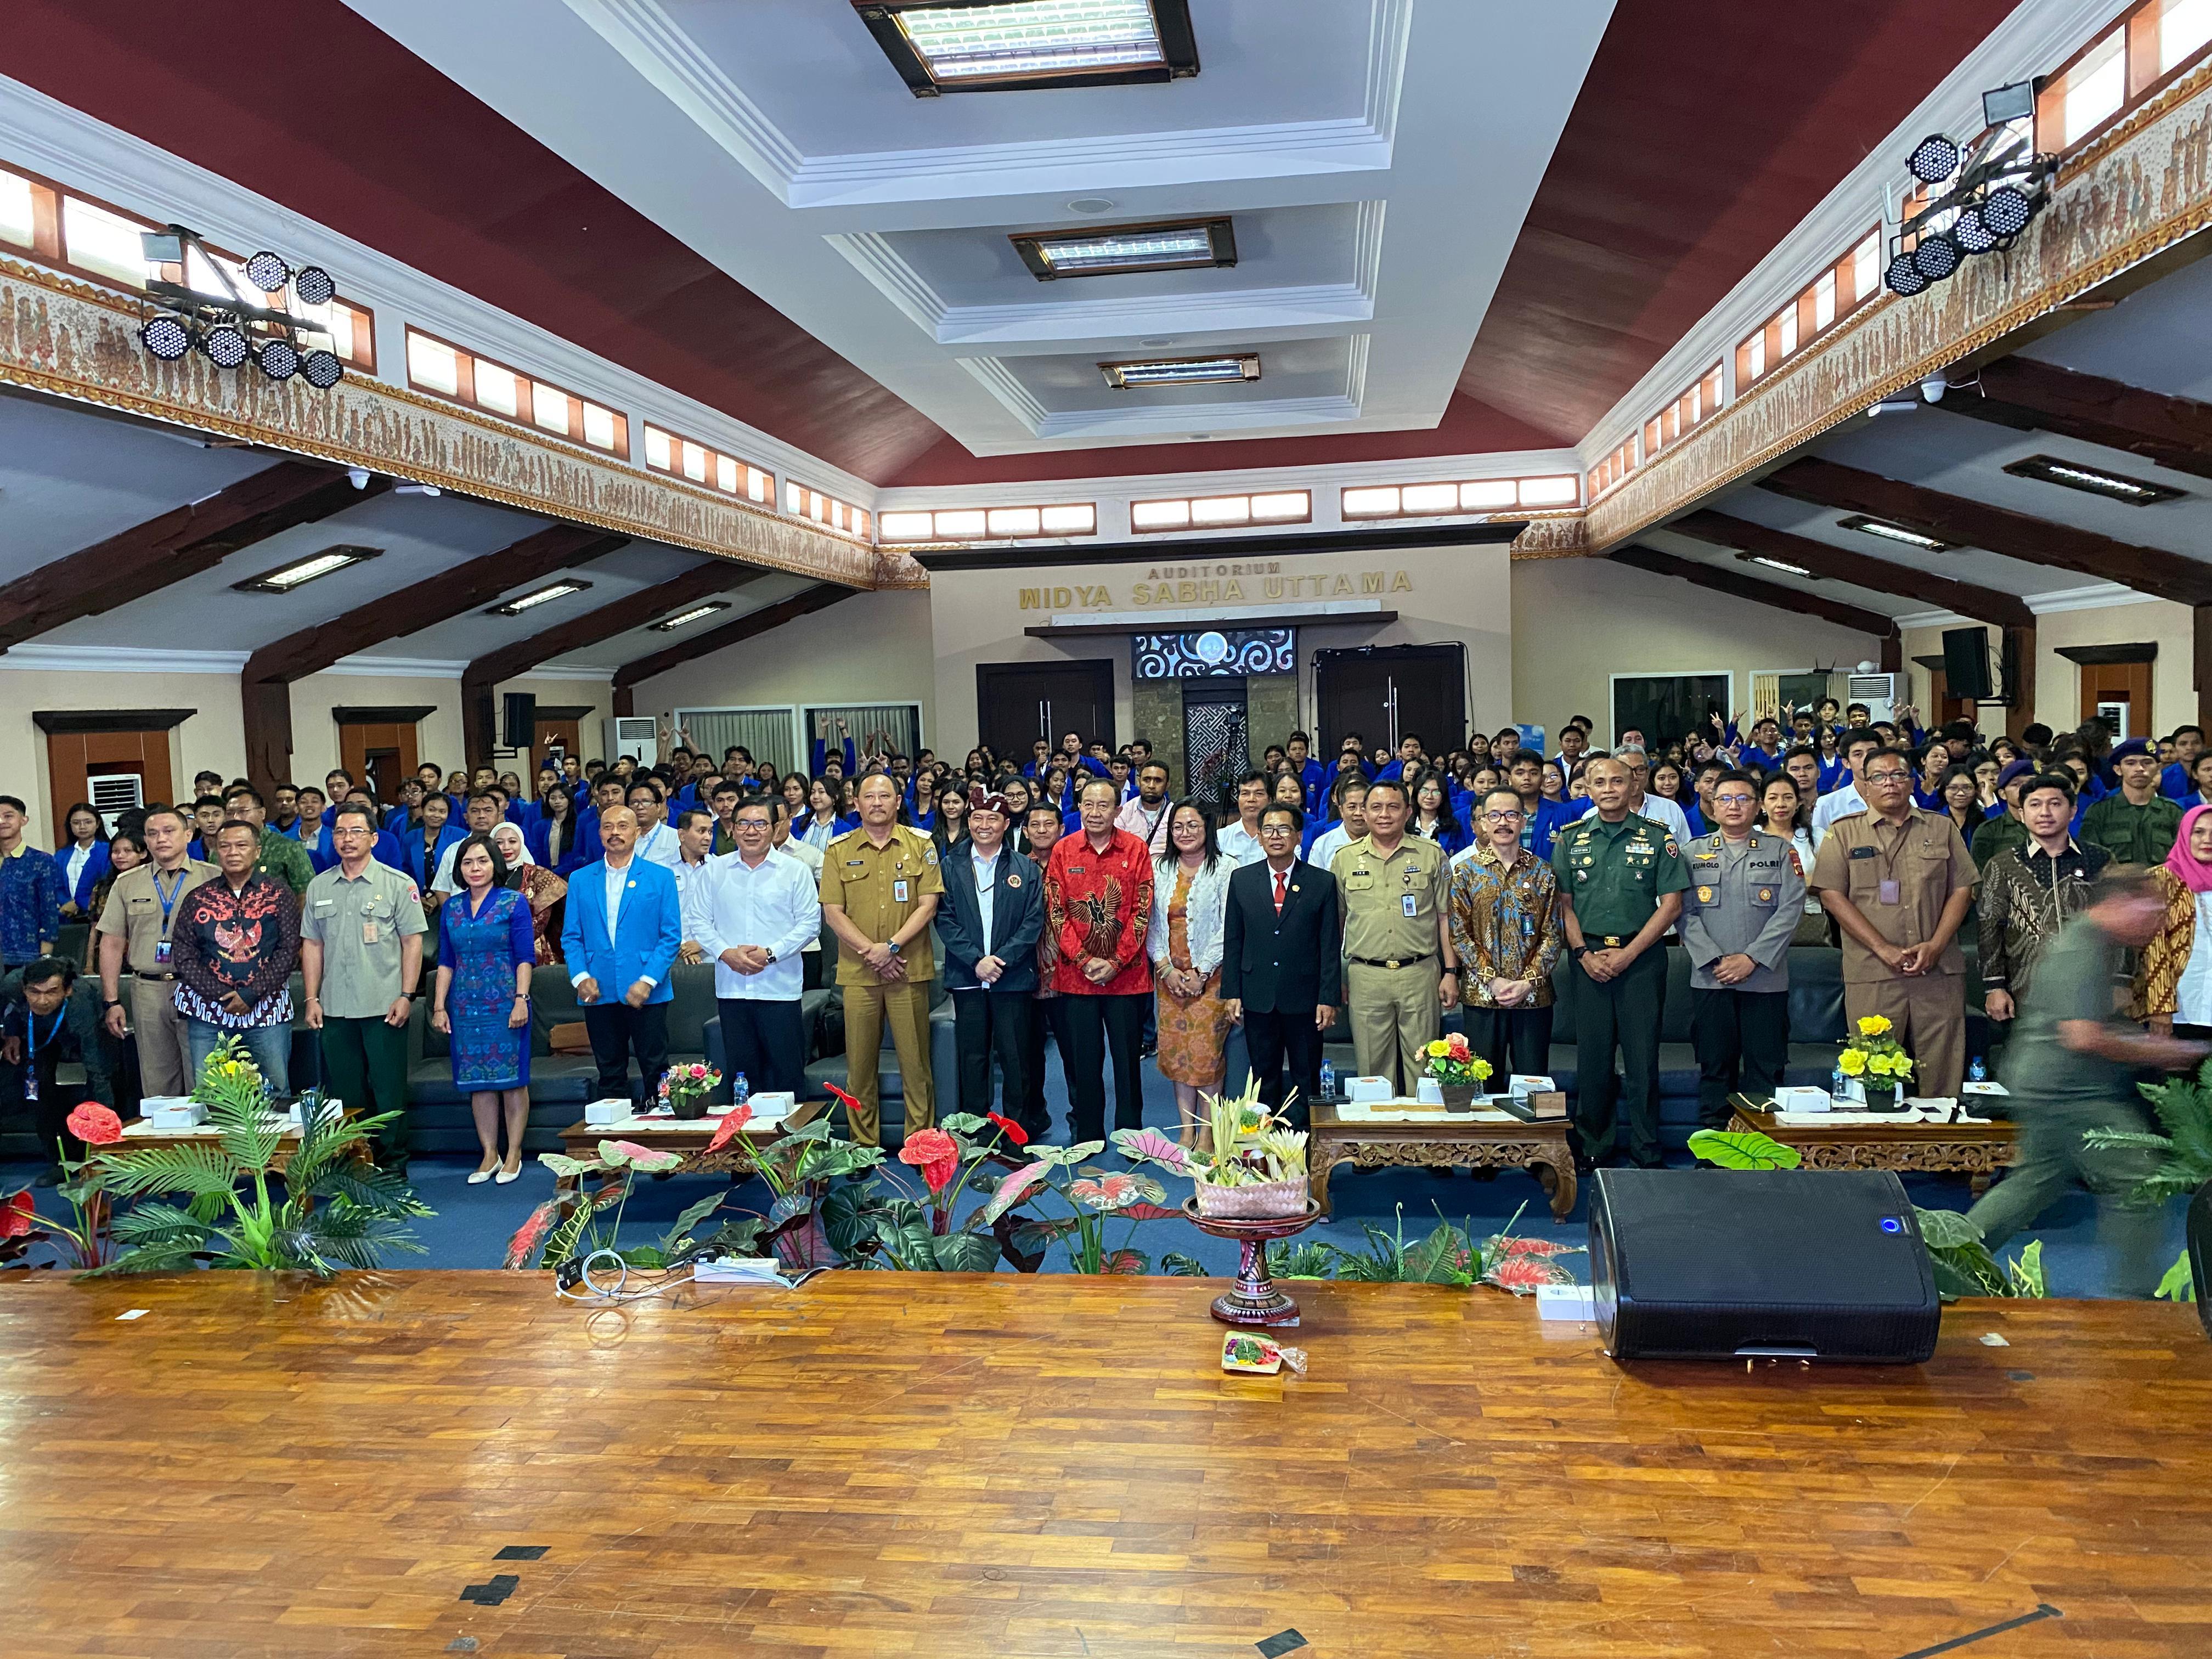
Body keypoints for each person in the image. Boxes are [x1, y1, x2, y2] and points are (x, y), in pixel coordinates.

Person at [1967, 874, 2209, 1296]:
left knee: (2034, 1182)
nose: (2157, 922)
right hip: (2070, 1094)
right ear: (2120, 903)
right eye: (2151, 911)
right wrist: (2159, 1052)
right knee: (2141, 1181)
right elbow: (2082, 1036)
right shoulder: (2083, 947)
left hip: (2048, 1085)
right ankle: (2133, 1297)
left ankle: (1941, 1258)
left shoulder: (2094, 943)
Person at [1809, 747, 1977, 1102]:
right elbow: (1831, 896)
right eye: (1880, 777)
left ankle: (1941, 1136)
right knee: (1873, 1074)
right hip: (1873, 970)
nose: (1890, 783)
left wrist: (1936, 945)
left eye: (1899, 775)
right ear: (1866, 785)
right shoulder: (1844, 833)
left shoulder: (1942, 827)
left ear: (1912, 782)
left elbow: (1963, 889)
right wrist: (1882, 948)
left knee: (1943, 1070)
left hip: (1937, 970)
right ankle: (1877, 1138)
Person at [1553, 755, 1688, 1169]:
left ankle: (1647, 1148)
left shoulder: (1659, 837)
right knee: (1593, 1057)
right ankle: (1594, 1145)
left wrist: (1629, 954)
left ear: (1633, 787)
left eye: (1617, 781)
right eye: (1599, 782)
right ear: (1587, 789)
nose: (1609, 789)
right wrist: (1582, 954)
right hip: (1587, 959)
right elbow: (1564, 906)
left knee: (1642, 1057)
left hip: (1642, 959)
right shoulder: (1570, 839)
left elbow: (1672, 905)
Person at [300, 803, 428, 1171]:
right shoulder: (319, 885)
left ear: (373, 838)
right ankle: (356, 1164)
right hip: (335, 1007)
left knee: (388, 1090)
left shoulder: (397, 883)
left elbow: (413, 943)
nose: (347, 839)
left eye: (356, 831)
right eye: (340, 832)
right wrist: (311, 998)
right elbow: (312, 945)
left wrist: (407, 995)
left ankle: (391, 1166)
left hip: (383, 1004)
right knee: (346, 1094)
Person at [820, 772, 943, 1146]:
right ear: (855, 803)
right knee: (859, 1068)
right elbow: (833, 912)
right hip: (859, 973)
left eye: (884, 796)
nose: (877, 803)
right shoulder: (839, 849)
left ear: (898, 801)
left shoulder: (921, 844)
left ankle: (920, 1145)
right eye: (869, 797)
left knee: (916, 1065)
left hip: (908, 969)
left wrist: (890, 947)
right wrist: (872, 952)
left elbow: (928, 905)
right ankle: (863, 1147)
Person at [1678, 771, 1804, 1127]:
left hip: (1765, 980)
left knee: (1765, 1071)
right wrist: (1716, 960)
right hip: (1711, 978)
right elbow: (1682, 912)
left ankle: (1762, 1149)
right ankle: (1714, 1148)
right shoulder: (1691, 853)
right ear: (1712, 806)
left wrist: (1751, 959)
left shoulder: (1780, 851)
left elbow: (1791, 910)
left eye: (1743, 799)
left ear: (1759, 806)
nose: (1734, 806)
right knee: (1715, 1070)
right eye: (1725, 799)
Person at [1043, 777, 1154, 1142]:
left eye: (1103, 805)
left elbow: (1142, 911)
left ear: (1118, 810)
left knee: (1127, 1062)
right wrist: (1084, 959)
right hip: (1077, 978)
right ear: (1079, 808)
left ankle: (1131, 1135)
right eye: (1088, 805)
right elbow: (1057, 912)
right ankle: (1088, 1135)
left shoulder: (1136, 849)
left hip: (1127, 978)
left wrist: (1116, 962)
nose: (1095, 812)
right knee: (1084, 1061)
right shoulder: (1063, 850)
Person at [1332, 777, 1457, 1096]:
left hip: (1420, 973)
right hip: (1366, 976)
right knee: (1372, 1071)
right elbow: (1336, 923)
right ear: (1364, 813)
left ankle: (1425, 1130)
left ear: (1408, 812)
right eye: (1376, 807)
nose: (1384, 814)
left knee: (1425, 1068)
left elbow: (1446, 917)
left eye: (1393, 807)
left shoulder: (1431, 855)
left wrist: (1451, 972)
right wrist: (1335, 978)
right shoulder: (1345, 859)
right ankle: (1376, 1131)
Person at [933, 788, 1043, 1133]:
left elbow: (1033, 922)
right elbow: (944, 919)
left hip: (1012, 979)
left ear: (1006, 824)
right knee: (973, 1059)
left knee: (1015, 1059)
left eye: (993, 819)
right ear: (968, 822)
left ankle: (1016, 1135)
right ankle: (974, 1134)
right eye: (977, 818)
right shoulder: (950, 866)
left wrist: (1001, 961)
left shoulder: (1026, 868)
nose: (984, 825)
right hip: (967, 977)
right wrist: (976, 961)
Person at [1222, 803, 1339, 1124]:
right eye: (1269, 830)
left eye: (1284, 829)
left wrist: (1328, 997)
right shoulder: (1242, 880)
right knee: (1263, 1078)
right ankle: (1265, 1144)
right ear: (1260, 837)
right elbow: (1233, 940)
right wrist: (1232, 992)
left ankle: (1304, 1143)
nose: (1276, 836)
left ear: (1299, 836)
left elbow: (1329, 945)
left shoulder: (1321, 882)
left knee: (1306, 1077)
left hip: (1305, 998)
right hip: (1257, 995)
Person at [559, 804, 682, 1109]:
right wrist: (580, 977)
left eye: (623, 826)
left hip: (647, 990)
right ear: (600, 833)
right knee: (610, 1072)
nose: (615, 833)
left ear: (637, 832)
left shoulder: (660, 877)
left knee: (656, 1069)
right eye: (608, 827)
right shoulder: (580, 879)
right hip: (597, 989)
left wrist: (648, 981)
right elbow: (571, 936)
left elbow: (670, 937)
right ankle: (614, 1135)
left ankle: (660, 1132)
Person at [431, 832, 536, 1184]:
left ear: (496, 865)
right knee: (478, 1083)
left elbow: (525, 957)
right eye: (467, 862)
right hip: (465, 1006)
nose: (475, 868)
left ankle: (514, 1153)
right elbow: (446, 961)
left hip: (506, 1002)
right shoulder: (452, 908)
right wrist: (439, 1006)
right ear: (459, 869)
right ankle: (490, 1153)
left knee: (512, 1081)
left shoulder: (513, 902)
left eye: (482, 861)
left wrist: (521, 999)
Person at [168, 819, 301, 1096]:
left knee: (275, 1091)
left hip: (266, 1011)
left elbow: (289, 950)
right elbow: (184, 953)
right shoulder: (198, 897)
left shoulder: (278, 894)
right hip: (209, 1011)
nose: (232, 852)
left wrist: (252, 994)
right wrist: (221, 994)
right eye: (225, 846)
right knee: (210, 1095)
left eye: (241, 846)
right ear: (216, 851)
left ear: (258, 851)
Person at [1978, 772, 2107, 1056]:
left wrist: (2121, 980)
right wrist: (1994, 987)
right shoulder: (2003, 865)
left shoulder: (2099, 859)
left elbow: (2118, 924)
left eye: (2055, 804)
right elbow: (1990, 927)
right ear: (2022, 814)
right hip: (2026, 989)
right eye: (2035, 805)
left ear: (2072, 811)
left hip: (2092, 987)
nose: (2045, 812)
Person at [94, 806, 217, 1101]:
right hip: (148, 988)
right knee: (158, 1082)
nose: (161, 839)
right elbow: (111, 943)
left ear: (189, 835)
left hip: (200, 989)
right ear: (146, 842)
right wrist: (112, 1001)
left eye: (169, 831)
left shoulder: (213, 877)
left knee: (207, 1077)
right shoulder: (127, 882)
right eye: (153, 834)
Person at [1449, 786, 1563, 1081]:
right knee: (1482, 1084)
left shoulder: (1543, 872)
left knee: (1533, 1084)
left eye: (1511, 815)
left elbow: (1553, 935)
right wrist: (1492, 980)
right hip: (1482, 996)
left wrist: (1528, 982)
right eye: (1495, 815)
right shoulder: (1465, 872)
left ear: (1523, 821)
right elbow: (1459, 934)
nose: (1503, 823)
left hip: (1533, 997)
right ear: (1483, 822)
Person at [1149, 800, 1238, 1145]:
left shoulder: (1226, 868)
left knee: (1206, 1055)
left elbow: (1230, 926)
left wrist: (1201, 970)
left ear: (1207, 828)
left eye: (1193, 826)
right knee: (1177, 1054)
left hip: (1211, 979)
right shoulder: (1159, 868)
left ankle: (1208, 1133)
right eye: (1178, 827)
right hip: (1169, 979)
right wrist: (1165, 968)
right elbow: (1151, 924)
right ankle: (1186, 1130)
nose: (1185, 833)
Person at [3, 956, 115, 1184]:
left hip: (80, 1031)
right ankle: (58, 1162)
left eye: (51, 992)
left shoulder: (81, 1004)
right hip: (39, 1035)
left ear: (67, 990)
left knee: (101, 1082)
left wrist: (106, 1116)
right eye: (34, 992)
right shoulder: (11, 985)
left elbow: (97, 1068)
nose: (42, 1000)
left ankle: (100, 1157)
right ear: (24, 989)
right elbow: (13, 1008)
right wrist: (12, 1034)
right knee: (36, 1089)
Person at [2136, 804, 2212, 1035]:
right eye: (2198, 832)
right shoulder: (2159, 880)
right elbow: (2153, 950)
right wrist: (2160, 1007)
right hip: (2176, 1011)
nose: (2207, 840)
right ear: (2185, 834)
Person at [2081, 737, 2182, 866]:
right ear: (2118, 770)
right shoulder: (2099, 812)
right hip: (2114, 879)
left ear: (2158, 768)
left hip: (2162, 879)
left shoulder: (2173, 812)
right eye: (2130, 763)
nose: (2140, 768)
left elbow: (2182, 859)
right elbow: (2089, 860)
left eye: (2147, 763)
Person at [1573, 748, 1691, 843]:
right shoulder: (1592, 816)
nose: (1634, 777)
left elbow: (1685, 852)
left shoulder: (1670, 808)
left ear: (1648, 773)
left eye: (1640, 770)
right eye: (1627, 769)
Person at [489, 821, 567, 966]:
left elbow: (541, 920)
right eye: (499, 842)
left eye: (513, 841)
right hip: (491, 948)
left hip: (533, 948)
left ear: (522, 843)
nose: (506, 847)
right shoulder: (485, 876)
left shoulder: (539, 875)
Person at [0, 795, 62, 964]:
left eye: (8, 816)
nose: (2, 821)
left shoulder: (41, 861)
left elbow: (49, 910)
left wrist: (46, 955)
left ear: (24, 820)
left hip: (26, 953)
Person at [80, 829, 144, 972]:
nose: (120, 856)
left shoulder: (152, 885)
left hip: (142, 958)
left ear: (143, 854)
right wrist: (89, 965)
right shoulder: (102, 888)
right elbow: (94, 929)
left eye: (128, 851)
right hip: (107, 958)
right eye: (115, 852)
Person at [56, 803, 109, 921]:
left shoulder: (108, 851)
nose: (82, 827)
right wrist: (68, 904)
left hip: (100, 915)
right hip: (69, 915)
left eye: (88, 822)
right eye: (76, 823)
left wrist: (80, 904)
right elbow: (57, 886)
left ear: (98, 824)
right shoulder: (61, 855)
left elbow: (108, 885)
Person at [1116, 760, 1174, 856]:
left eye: (1158, 781)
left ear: (1167, 785)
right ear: (1139, 782)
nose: (1151, 786)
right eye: (1146, 780)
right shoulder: (1126, 811)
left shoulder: (1174, 813)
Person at [1215, 771, 1271, 867]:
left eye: (1259, 794)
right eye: (1245, 794)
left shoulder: (1279, 836)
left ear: (1270, 800)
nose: (1251, 799)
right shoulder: (1221, 837)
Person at [1409, 774, 1470, 857]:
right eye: (1424, 791)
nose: (1429, 797)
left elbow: (1460, 857)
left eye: (1436, 792)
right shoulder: (1404, 824)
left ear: (1443, 797)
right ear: (1417, 794)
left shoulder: (1454, 827)